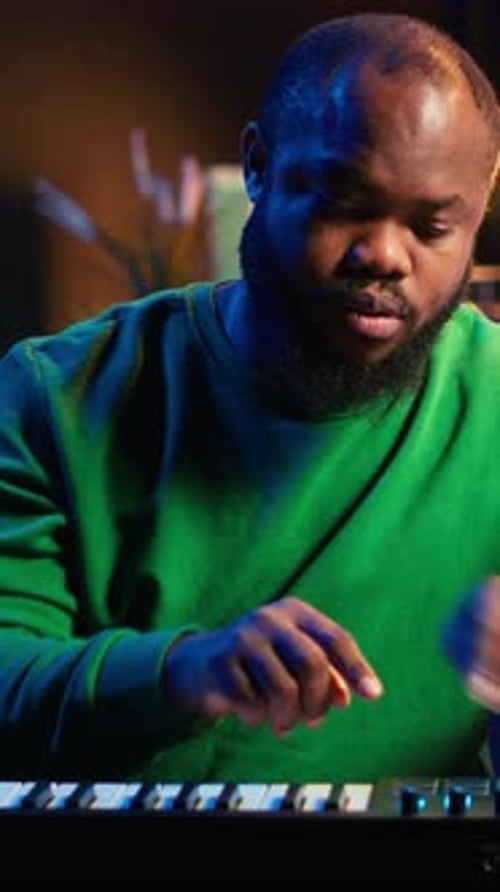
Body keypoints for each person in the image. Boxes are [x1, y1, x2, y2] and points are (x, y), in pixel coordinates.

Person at [0, 10, 499, 786]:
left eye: (433, 225)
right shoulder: (53, 397)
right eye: (342, 203)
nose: (385, 256)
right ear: (259, 166)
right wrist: (183, 670)